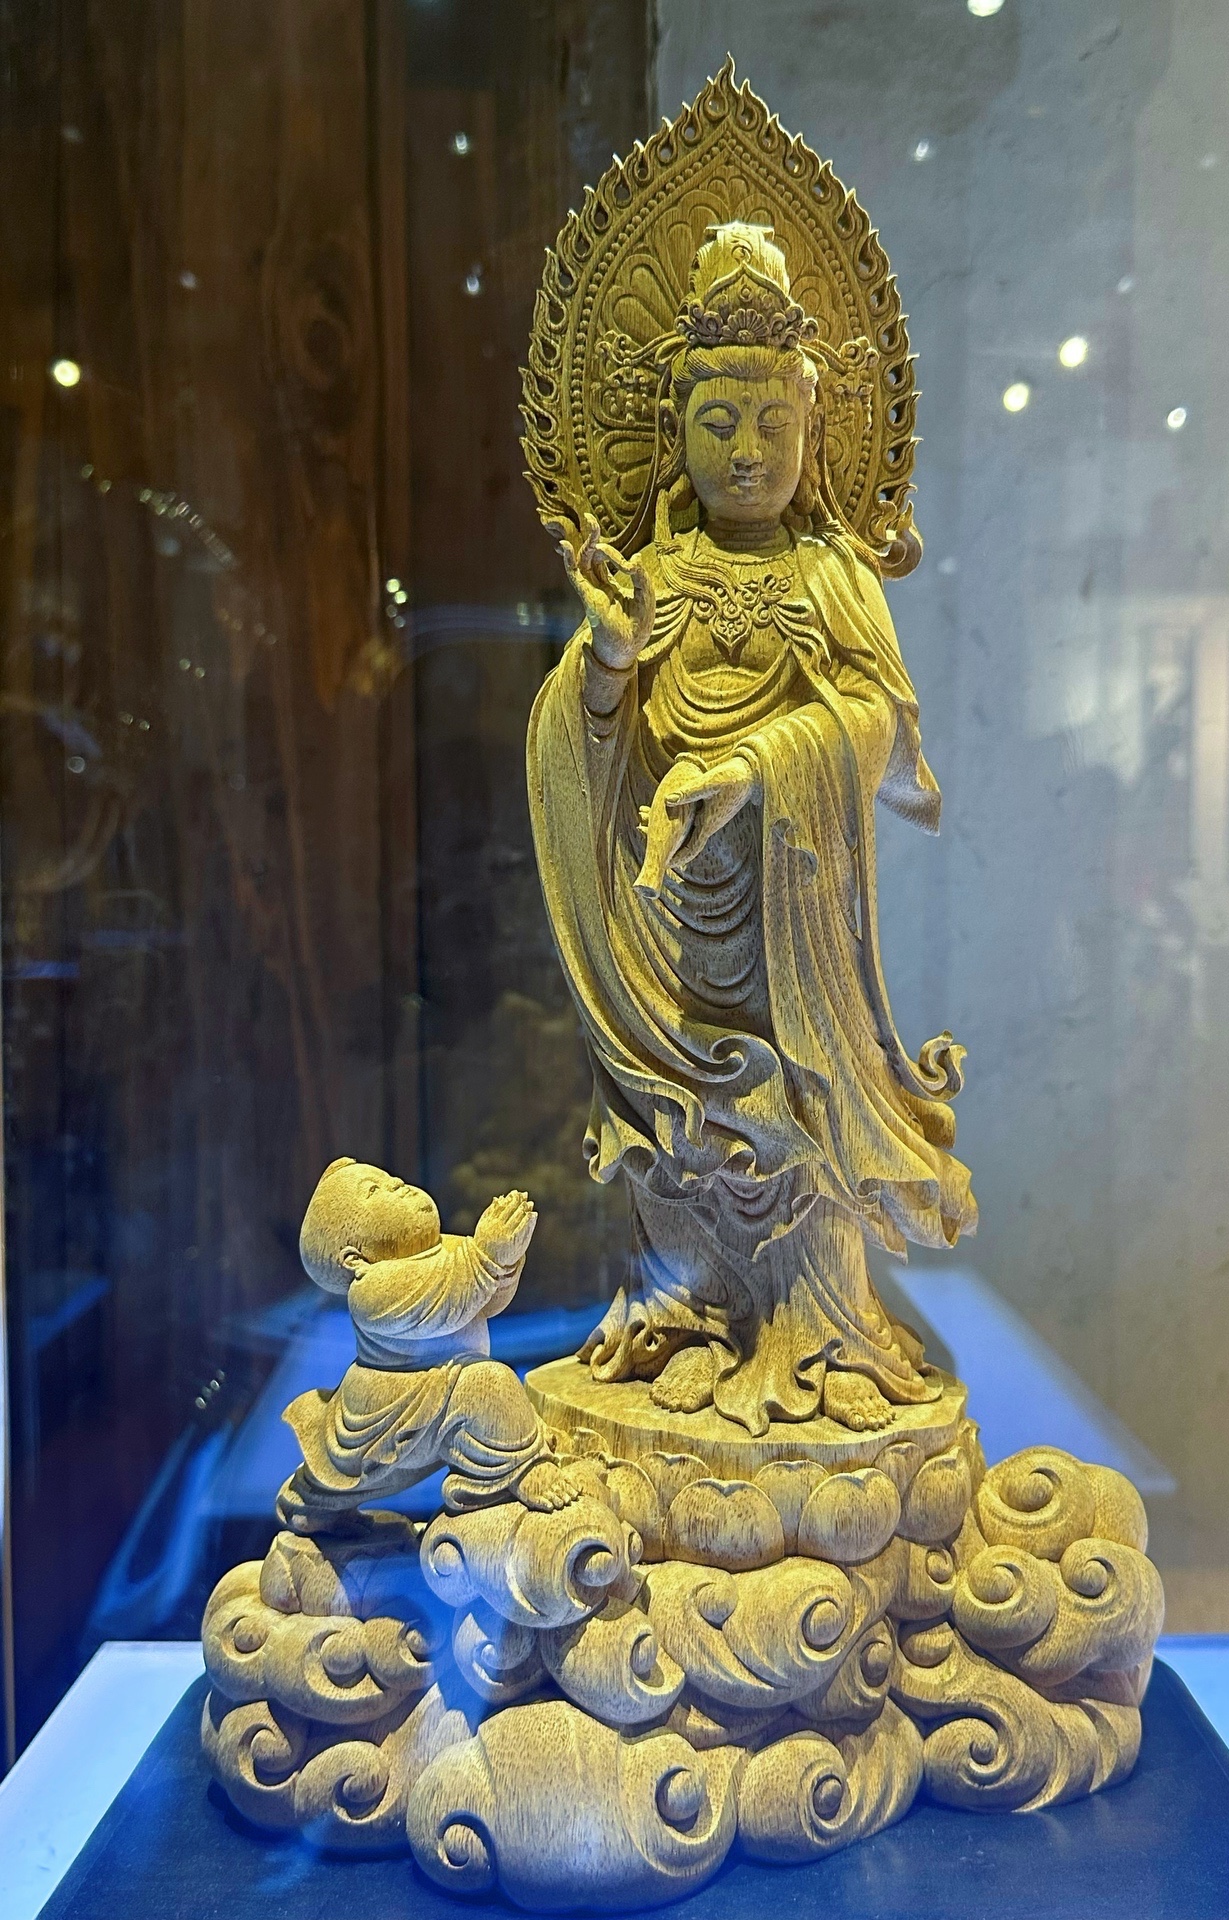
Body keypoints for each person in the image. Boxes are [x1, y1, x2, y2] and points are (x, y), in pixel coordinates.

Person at [528, 224, 976, 1438]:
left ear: (814, 430)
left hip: (796, 927)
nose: (745, 451)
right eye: (718, 424)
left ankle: (821, 1333)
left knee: (803, 1113)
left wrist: (762, 766)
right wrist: (609, 658)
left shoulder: (834, 576)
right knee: (676, 1118)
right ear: (672, 432)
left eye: (774, 425)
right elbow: (580, 739)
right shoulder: (650, 576)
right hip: (667, 915)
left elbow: (887, 737)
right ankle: (684, 1312)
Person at [274, 1159, 577, 1532]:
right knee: (490, 1383)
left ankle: (314, 1502)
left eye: (389, 1178)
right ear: (355, 1258)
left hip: (442, 1388)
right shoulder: (370, 1291)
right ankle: (523, 1467)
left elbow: (484, 1303)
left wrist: (505, 1261)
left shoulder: (447, 1249)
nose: (396, 1184)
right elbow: (442, 1306)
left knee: (487, 1391)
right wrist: (485, 1258)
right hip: (395, 1404)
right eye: (374, 1191)